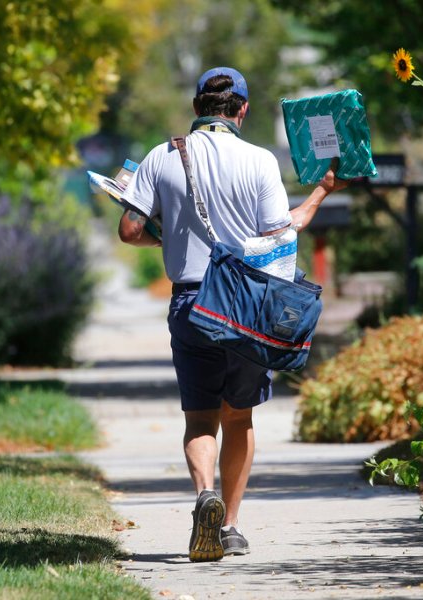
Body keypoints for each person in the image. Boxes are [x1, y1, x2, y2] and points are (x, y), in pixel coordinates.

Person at [118, 66, 347, 562]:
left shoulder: (162, 156)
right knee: (238, 417)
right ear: (241, 110)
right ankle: (231, 527)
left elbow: (130, 230)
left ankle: (205, 496)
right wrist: (322, 192)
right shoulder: (260, 160)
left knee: (200, 416)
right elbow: (279, 234)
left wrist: (166, 235)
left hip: (191, 301)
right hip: (247, 303)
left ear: (198, 107)